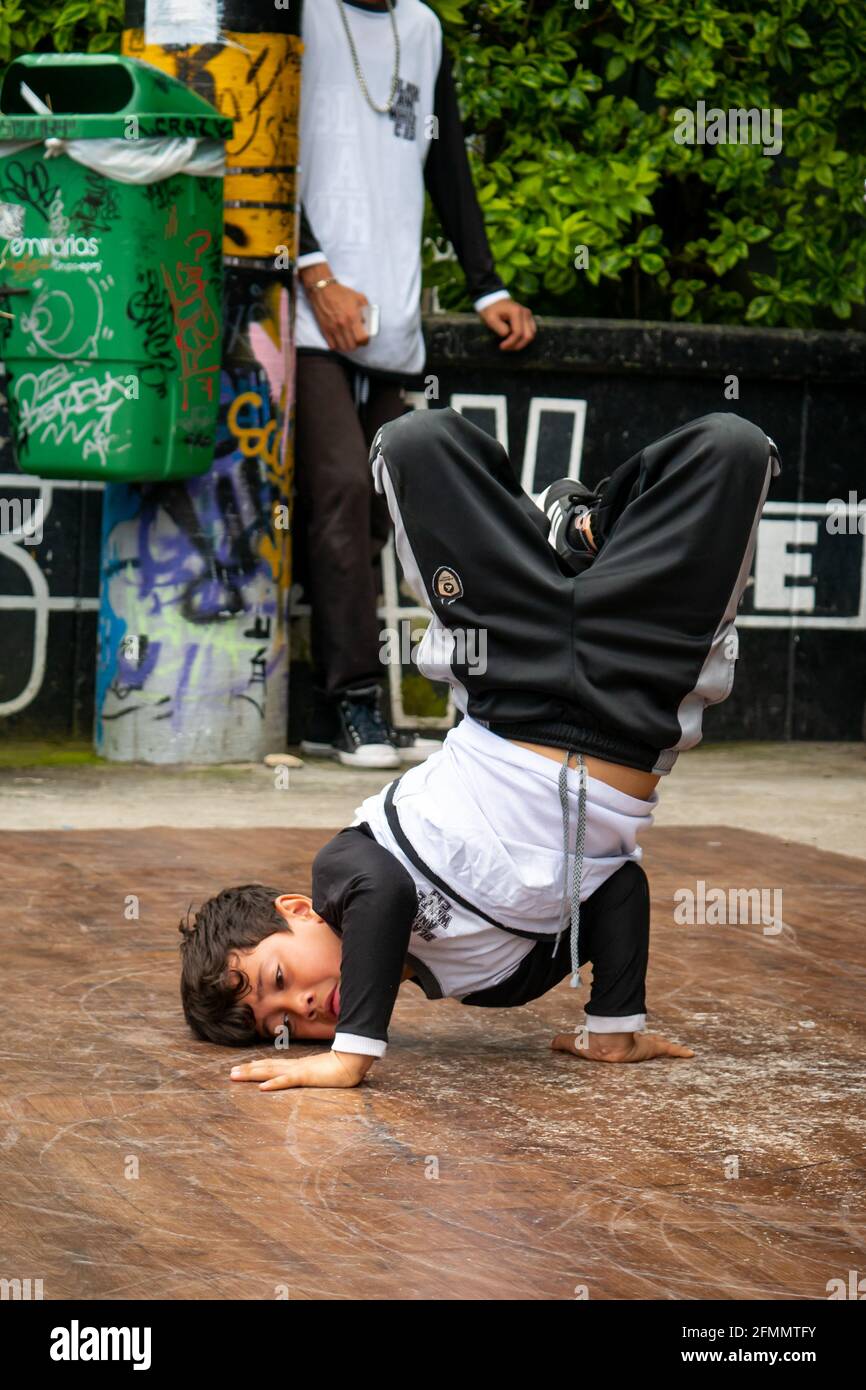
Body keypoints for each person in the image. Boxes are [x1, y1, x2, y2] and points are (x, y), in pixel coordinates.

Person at [179, 406, 783, 1090]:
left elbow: (386, 896)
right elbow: (617, 889)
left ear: (296, 910)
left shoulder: (346, 870)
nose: (302, 1005)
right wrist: (616, 1028)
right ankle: (588, 536)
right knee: (734, 448)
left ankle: (567, 534)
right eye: (283, 1024)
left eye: (279, 979)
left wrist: (353, 1052)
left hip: (511, 680)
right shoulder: (497, 982)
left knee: (414, 443)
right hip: (633, 701)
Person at [293, 0, 536, 768]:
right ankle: (355, 704)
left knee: (379, 514)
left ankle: (319, 700)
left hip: (390, 315)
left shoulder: (424, 29)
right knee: (336, 488)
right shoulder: (298, 14)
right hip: (306, 310)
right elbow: (259, 143)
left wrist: (487, 287)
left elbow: (446, 164)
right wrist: (313, 271)